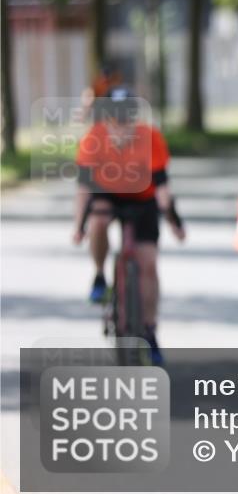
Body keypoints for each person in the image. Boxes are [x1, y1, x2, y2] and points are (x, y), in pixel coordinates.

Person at [72, 87, 185, 365]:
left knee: (148, 264)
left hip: (143, 197)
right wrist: (79, 226)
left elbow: (162, 186)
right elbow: (84, 189)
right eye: (115, 118)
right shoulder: (93, 140)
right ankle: (100, 275)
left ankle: (149, 330)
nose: (122, 125)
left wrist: (174, 220)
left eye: (127, 117)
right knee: (99, 218)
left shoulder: (151, 138)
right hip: (107, 194)